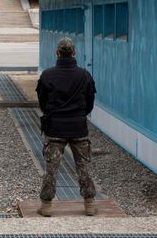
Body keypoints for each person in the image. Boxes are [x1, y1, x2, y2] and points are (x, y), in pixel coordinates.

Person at [35, 37, 97, 217]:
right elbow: (90, 103)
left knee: (51, 169)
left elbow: (43, 103)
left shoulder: (47, 75)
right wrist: (79, 114)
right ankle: (89, 204)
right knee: (83, 167)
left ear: (56, 53)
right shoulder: (84, 75)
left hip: (55, 129)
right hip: (78, 128)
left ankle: (46, 205)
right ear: (74, 53)